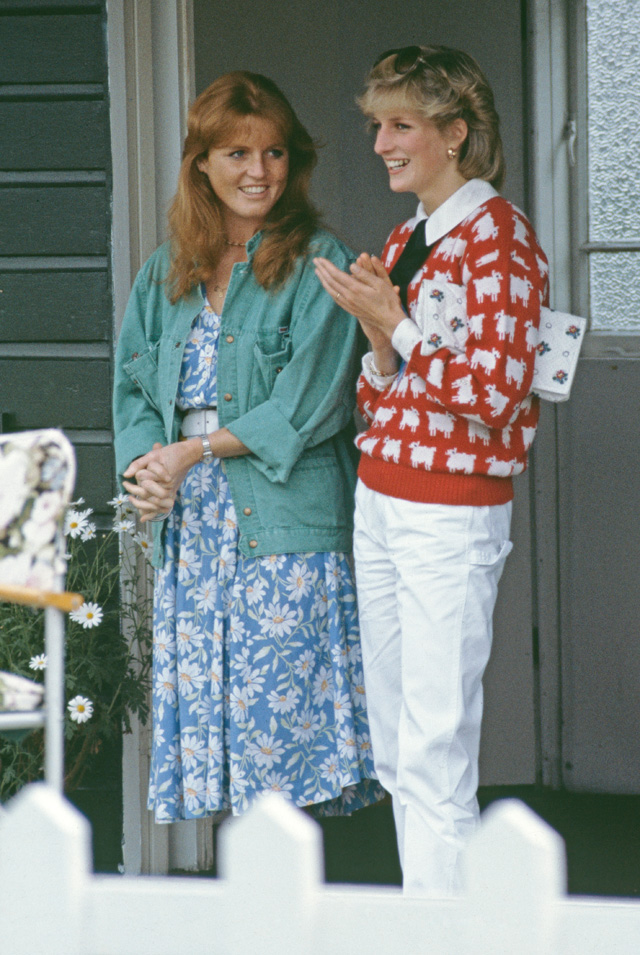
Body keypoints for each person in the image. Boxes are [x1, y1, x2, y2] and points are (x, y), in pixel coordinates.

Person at [113, 71, 384, 823]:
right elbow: (135, 388)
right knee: (218, 733)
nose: (259, 171)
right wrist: (147, 470)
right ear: (201, 161)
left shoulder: (316, 261)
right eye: (237, 152)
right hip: (191, 530)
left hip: (283, 529)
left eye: (274, 153)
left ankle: (287, 915)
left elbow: (309, 403)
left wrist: (189, 455)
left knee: (279, 736)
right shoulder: (166, 271)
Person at [314, 45, 549, 896]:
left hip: (450, 513)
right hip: (382, 499)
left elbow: (493, 392)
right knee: (394, 736)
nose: (380, 142)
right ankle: (430, 914)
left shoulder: (501, 240)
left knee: (435, 736)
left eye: (401, 124)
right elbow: (389, 401)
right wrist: (380, 338)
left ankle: (447, 928)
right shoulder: (410, 236)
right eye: (377, 124)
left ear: (454, 133)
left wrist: (398, 326)